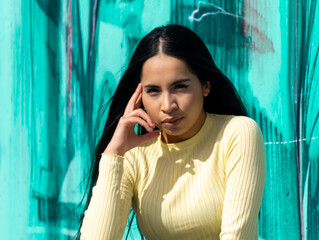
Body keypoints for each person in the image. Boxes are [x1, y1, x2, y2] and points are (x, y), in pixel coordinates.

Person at [78, 24, 266, 240]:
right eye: (153, 91)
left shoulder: (237, 134)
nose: (167, 105)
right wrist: (114, 153)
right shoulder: (134, 153)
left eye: (180, 87)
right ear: (139, 96)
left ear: (205, 86)